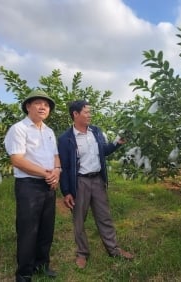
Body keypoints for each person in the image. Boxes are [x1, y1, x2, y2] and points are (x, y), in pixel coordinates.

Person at [58, 100, 134, 269]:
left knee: (104, 216)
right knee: (79, 219)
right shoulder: (65, 139)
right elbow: (63, 166)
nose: (90, 115)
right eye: (86, 112)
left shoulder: (96, 132)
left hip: (97, 180)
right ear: (75, 114)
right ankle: (82, 253)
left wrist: (116, 144)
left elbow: (103, 152)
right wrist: (66, 192)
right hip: (79, 182)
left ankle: (113, 250)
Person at [4, 90, 61, 282]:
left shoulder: (49, 131)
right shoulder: (19, 129)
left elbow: (55, 156)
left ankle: (41, 265)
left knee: (46, 228)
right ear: (28, 106)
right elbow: (17, 160)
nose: (43, 107)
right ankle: (24, 274)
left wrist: (57, 171)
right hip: (28, 185)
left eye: (46, 104)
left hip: (48, 185)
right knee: (28, 230)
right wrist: (46, 174)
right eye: (38, 103)